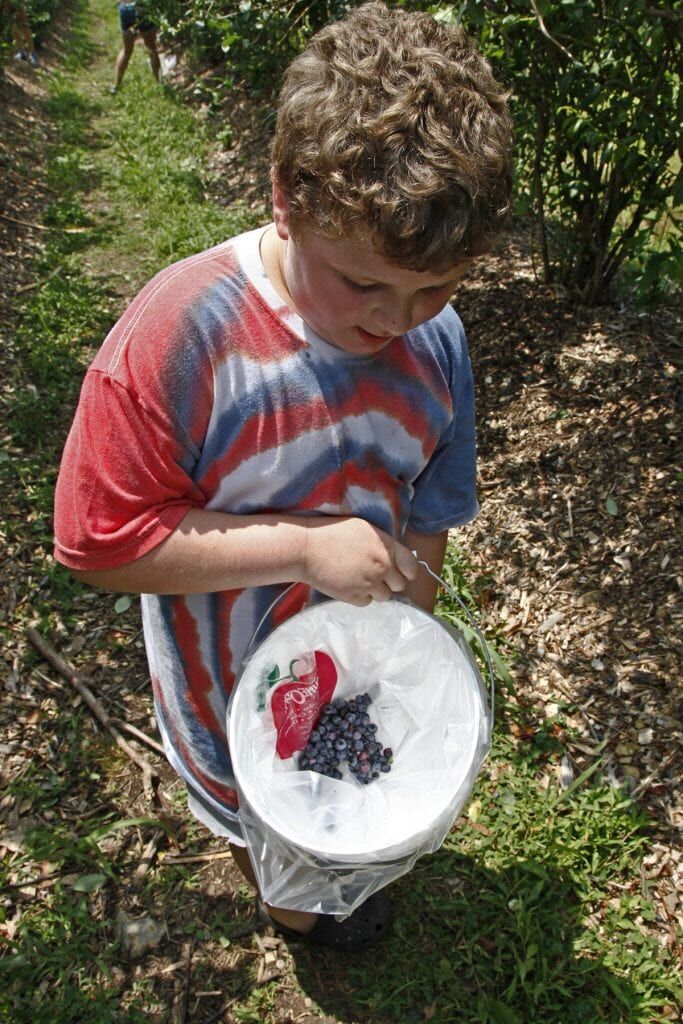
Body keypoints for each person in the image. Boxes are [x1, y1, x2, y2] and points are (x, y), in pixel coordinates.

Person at [54, 1, 512, 950]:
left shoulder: (439, 341)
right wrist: (305, 547)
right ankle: (294, 910)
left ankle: (314, 873)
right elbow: (98, 543)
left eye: (434, 287)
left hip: (352, 669)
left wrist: (403, 628)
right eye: (363, 285)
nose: (397, 320)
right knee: (267, 809)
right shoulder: (181, 337)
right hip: (228, 682)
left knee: (335, 791)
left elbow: (428, 500)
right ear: (285, 196)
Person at [111, 1, 160, 93]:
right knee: (152, 48)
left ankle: (116, 85)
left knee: (127, 50)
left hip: (125, 7)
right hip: (142, 7)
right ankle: (159, 82)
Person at [2, 0, 40, 65]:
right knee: (14, 32)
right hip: (9, 8)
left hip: (16, 6)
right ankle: (22, 53)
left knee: (25, 29)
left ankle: (34, 55)